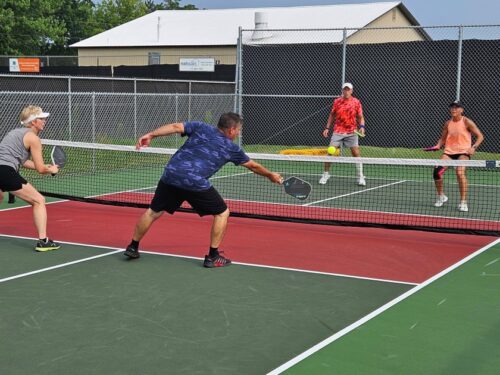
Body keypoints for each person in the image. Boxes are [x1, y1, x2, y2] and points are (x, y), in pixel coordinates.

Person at [124, 112, 283, 267]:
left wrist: (151, 135)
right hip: (193, 181)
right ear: (231, 130)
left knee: (153, 211)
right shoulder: (231, 148)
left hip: (171, 174)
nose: (238, 133)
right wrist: (270, 175)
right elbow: (253, 166)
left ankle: (133, 246)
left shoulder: (200, 127)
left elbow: (175, 126)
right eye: (239, 130)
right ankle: (213, 256)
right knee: (222, 213)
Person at [0, 105, 60, 251]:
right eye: (41, 118)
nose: (44, 120)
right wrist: (50, 169)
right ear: (33, 122)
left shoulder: (15, 133)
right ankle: (43, 241)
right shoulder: (33, 138)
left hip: (3, 168)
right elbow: (41, 170)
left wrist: (45, 165)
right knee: (39, 200)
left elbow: (22, 160)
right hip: (4, 171)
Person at [432, 101, 484, 212]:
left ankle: (463, 202)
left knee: (460, 173)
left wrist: (473, 147)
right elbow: (443, 138)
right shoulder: (447, 123)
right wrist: (438, 145)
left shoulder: (467, 121)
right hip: (449, 152)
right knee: (437, 172)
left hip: (464, 152)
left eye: (456, 108)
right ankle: (441, 196)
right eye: (452, 108)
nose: (453, 110)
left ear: (461, 110)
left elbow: (480, 136)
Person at [320, 82, 366, 186]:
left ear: (351, 91)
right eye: (344, 89)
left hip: (352, 131)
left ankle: (360, 176)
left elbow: (360, 117)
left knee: (356, 153)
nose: (346, 91)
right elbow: (332, 115)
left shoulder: (356, 102)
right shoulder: (337, 102)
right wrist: (327, 128)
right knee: (330, 152)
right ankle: (325, 174)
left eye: (348, 89)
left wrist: (362, 127)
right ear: (342, 90)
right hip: (338, 131)